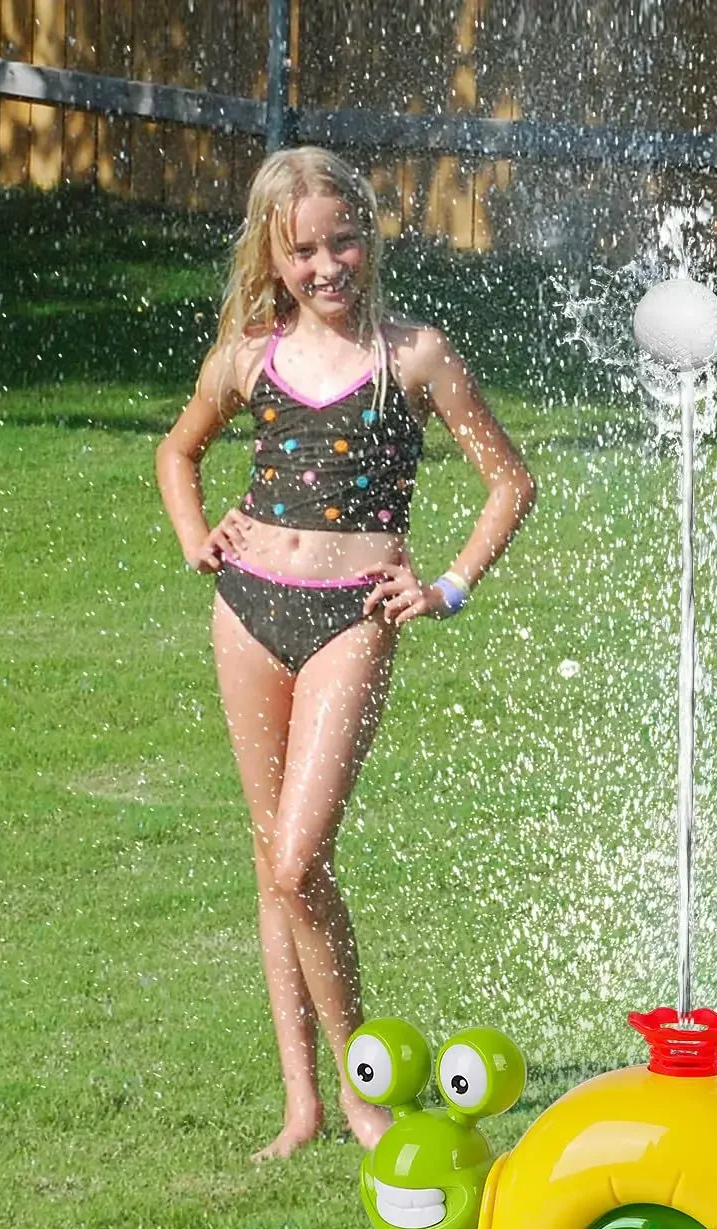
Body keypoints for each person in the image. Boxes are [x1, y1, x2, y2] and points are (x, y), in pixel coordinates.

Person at [157, 147, 535, 1162]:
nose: (327, 266)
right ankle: (303, 1105)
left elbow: (509, 481)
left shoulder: (413, 356)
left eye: (343, 240)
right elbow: (177, 449)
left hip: (350, 620)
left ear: (369, 236)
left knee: (299, 854)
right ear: (273, 258)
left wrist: (447, 584)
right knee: (268, 856)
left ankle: (363, 1089)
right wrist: (198, 535)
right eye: (303, 251)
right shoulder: (249, 352)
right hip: (246, 610)